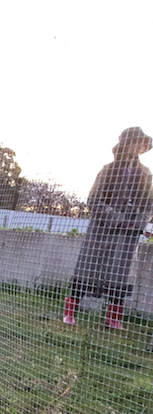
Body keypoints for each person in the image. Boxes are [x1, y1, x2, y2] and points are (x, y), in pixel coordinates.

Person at [62, 127, 153, 329]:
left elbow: (149, 203)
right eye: (136, 142)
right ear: (125, 144)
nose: (139, 147)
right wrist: (117, 218)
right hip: (102, 230)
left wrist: (139, 222)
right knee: (87, 269)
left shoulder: (146, 173)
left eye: (143, 145)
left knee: (121, 274)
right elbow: (93, 200)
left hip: (128, 235)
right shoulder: (107, 170)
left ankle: (113, 318)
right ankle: (70, 313)